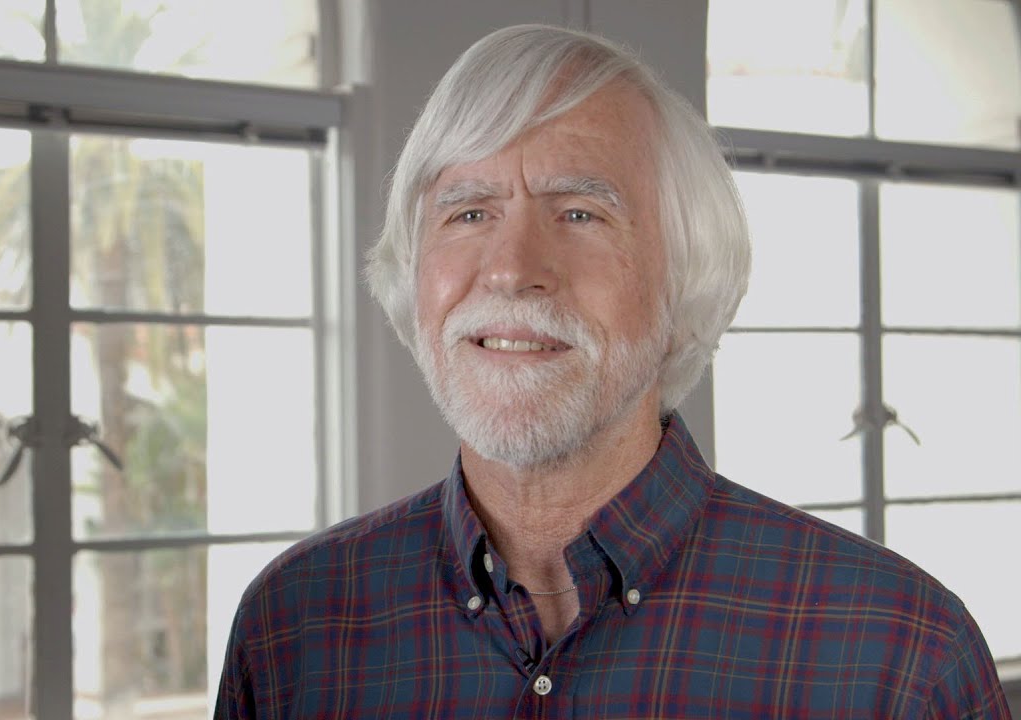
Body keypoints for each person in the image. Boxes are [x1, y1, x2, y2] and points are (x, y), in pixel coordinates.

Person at [215, 24, 1012, 718]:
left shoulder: (899, 659)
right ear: (410, 271)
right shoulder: (292, 631)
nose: (512, 269)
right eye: (468, 212)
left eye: (580, 212)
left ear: (686, 276)